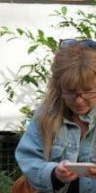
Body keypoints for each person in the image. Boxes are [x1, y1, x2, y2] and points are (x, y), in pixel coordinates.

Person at [16, 39, 96, 192]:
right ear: (58, 87)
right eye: (71, 92)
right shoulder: (46, 116)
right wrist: (53, 174)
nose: (79, 100)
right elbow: (28, 158)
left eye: (87, 91)